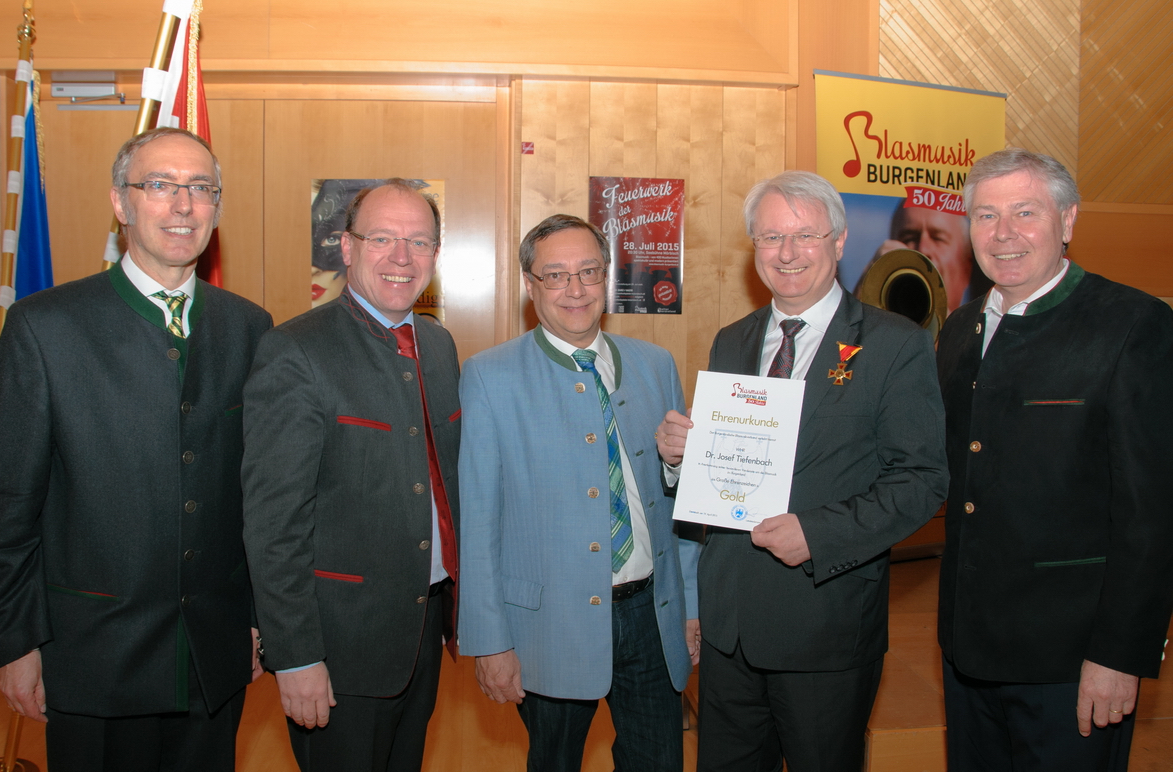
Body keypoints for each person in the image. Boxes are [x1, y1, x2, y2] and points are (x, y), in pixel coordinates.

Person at [0, 126, 271, 771]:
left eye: (200, 188)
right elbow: (7, 507)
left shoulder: (250, 327)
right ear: (120, 202)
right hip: (90, 659)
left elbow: (254, 496)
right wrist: (15, 643)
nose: (183, 205)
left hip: (212, 657)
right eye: (159, 185)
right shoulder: (45, 327)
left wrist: (255, 619)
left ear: (217, 207)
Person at [658, 171, 948, 772]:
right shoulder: (732, 342)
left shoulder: (895, 345)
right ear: (754, 248)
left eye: (804, 235)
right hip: (729, 628)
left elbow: (922, 480)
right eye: (770, 237)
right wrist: (678, 460)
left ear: (838, 242)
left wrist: (818, 533)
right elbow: (722, 477)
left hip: (825, 627)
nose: (786, 253)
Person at [936, 148, 1173, 772]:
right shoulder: (959, 331)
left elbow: (1152, 512)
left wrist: (1120, 655)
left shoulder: (1134, 325)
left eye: (1025, 212)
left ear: (1067, 221)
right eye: (986, 215)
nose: (1003, 233)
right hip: (966, 650)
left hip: (1071, 661)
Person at [458, 214, 699, 772]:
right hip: (548, 627)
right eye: (556, 275)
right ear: (530, 285)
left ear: (606, 277)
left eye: (589, 271)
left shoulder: (656, 365)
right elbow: (479, 521)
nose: (576, 289)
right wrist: (489, 641)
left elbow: (684, 502)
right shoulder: (490, 377)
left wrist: (690, 605)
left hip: (651, 615)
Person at [242, 180, 459, 772]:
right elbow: (273, 523)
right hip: (337, 648)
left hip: (422, 631)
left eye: (419, 241)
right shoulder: (295, 351)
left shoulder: (438, 345)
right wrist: (294, 655)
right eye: (382, 238)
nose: (402, 257)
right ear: (346, 246)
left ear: (435, 254)